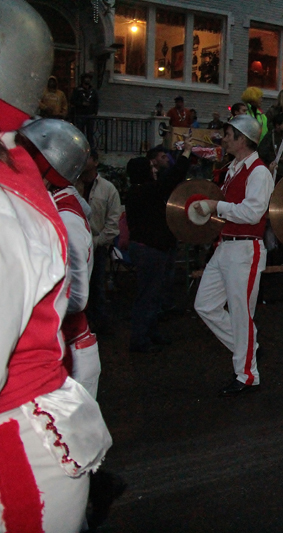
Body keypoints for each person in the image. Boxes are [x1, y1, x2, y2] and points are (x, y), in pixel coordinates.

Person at [0, 2, 112, 530]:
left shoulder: (47, 211)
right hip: (61, 358)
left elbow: (77, 292)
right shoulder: (38, 202)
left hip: (62, 368)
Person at [18, 118, 102, 399]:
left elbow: (77, 297)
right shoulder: (46, 207)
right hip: (52, 352)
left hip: (71, 355)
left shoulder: (66, 218)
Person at [194, 115, 273, 395]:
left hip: (245, 247)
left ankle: (247, 374)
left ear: (242, 139)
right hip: (227, 245)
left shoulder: (259, 172)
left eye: (228, 134)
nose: (223, 138)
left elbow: (253, 212)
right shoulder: (235, 168)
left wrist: (217, 205)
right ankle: (249, 347)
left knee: (241, 314)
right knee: (205, 305)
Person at [126, 141, 195, 353]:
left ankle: (150, 331)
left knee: (152, 294)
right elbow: (172, 178)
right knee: (147, 295)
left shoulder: (137, 192)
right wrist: (186, 154)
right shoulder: (145, 191)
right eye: (151, 168)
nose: (155, 170)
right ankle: (140, 339)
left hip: (151, 249)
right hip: (150, 250)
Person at [78, 149, 122, 333]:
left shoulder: (107, 189)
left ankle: (99, 323)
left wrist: (97, 241)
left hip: (96, 245)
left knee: (96, 285)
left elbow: (113, 221)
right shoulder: (72, 184)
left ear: (95, 161)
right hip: (76, 244)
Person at [70, 73, 99, 147]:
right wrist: (81, 103)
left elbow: (96, 102)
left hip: (90, 115)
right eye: (86, 79)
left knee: (90, 134)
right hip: (80, 115)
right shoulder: (77, 90)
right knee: (80, 134)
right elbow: (72, 101)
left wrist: (95, 112)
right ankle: (80, 148)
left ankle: (91, 149)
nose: (87, 81)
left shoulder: (93, 91)